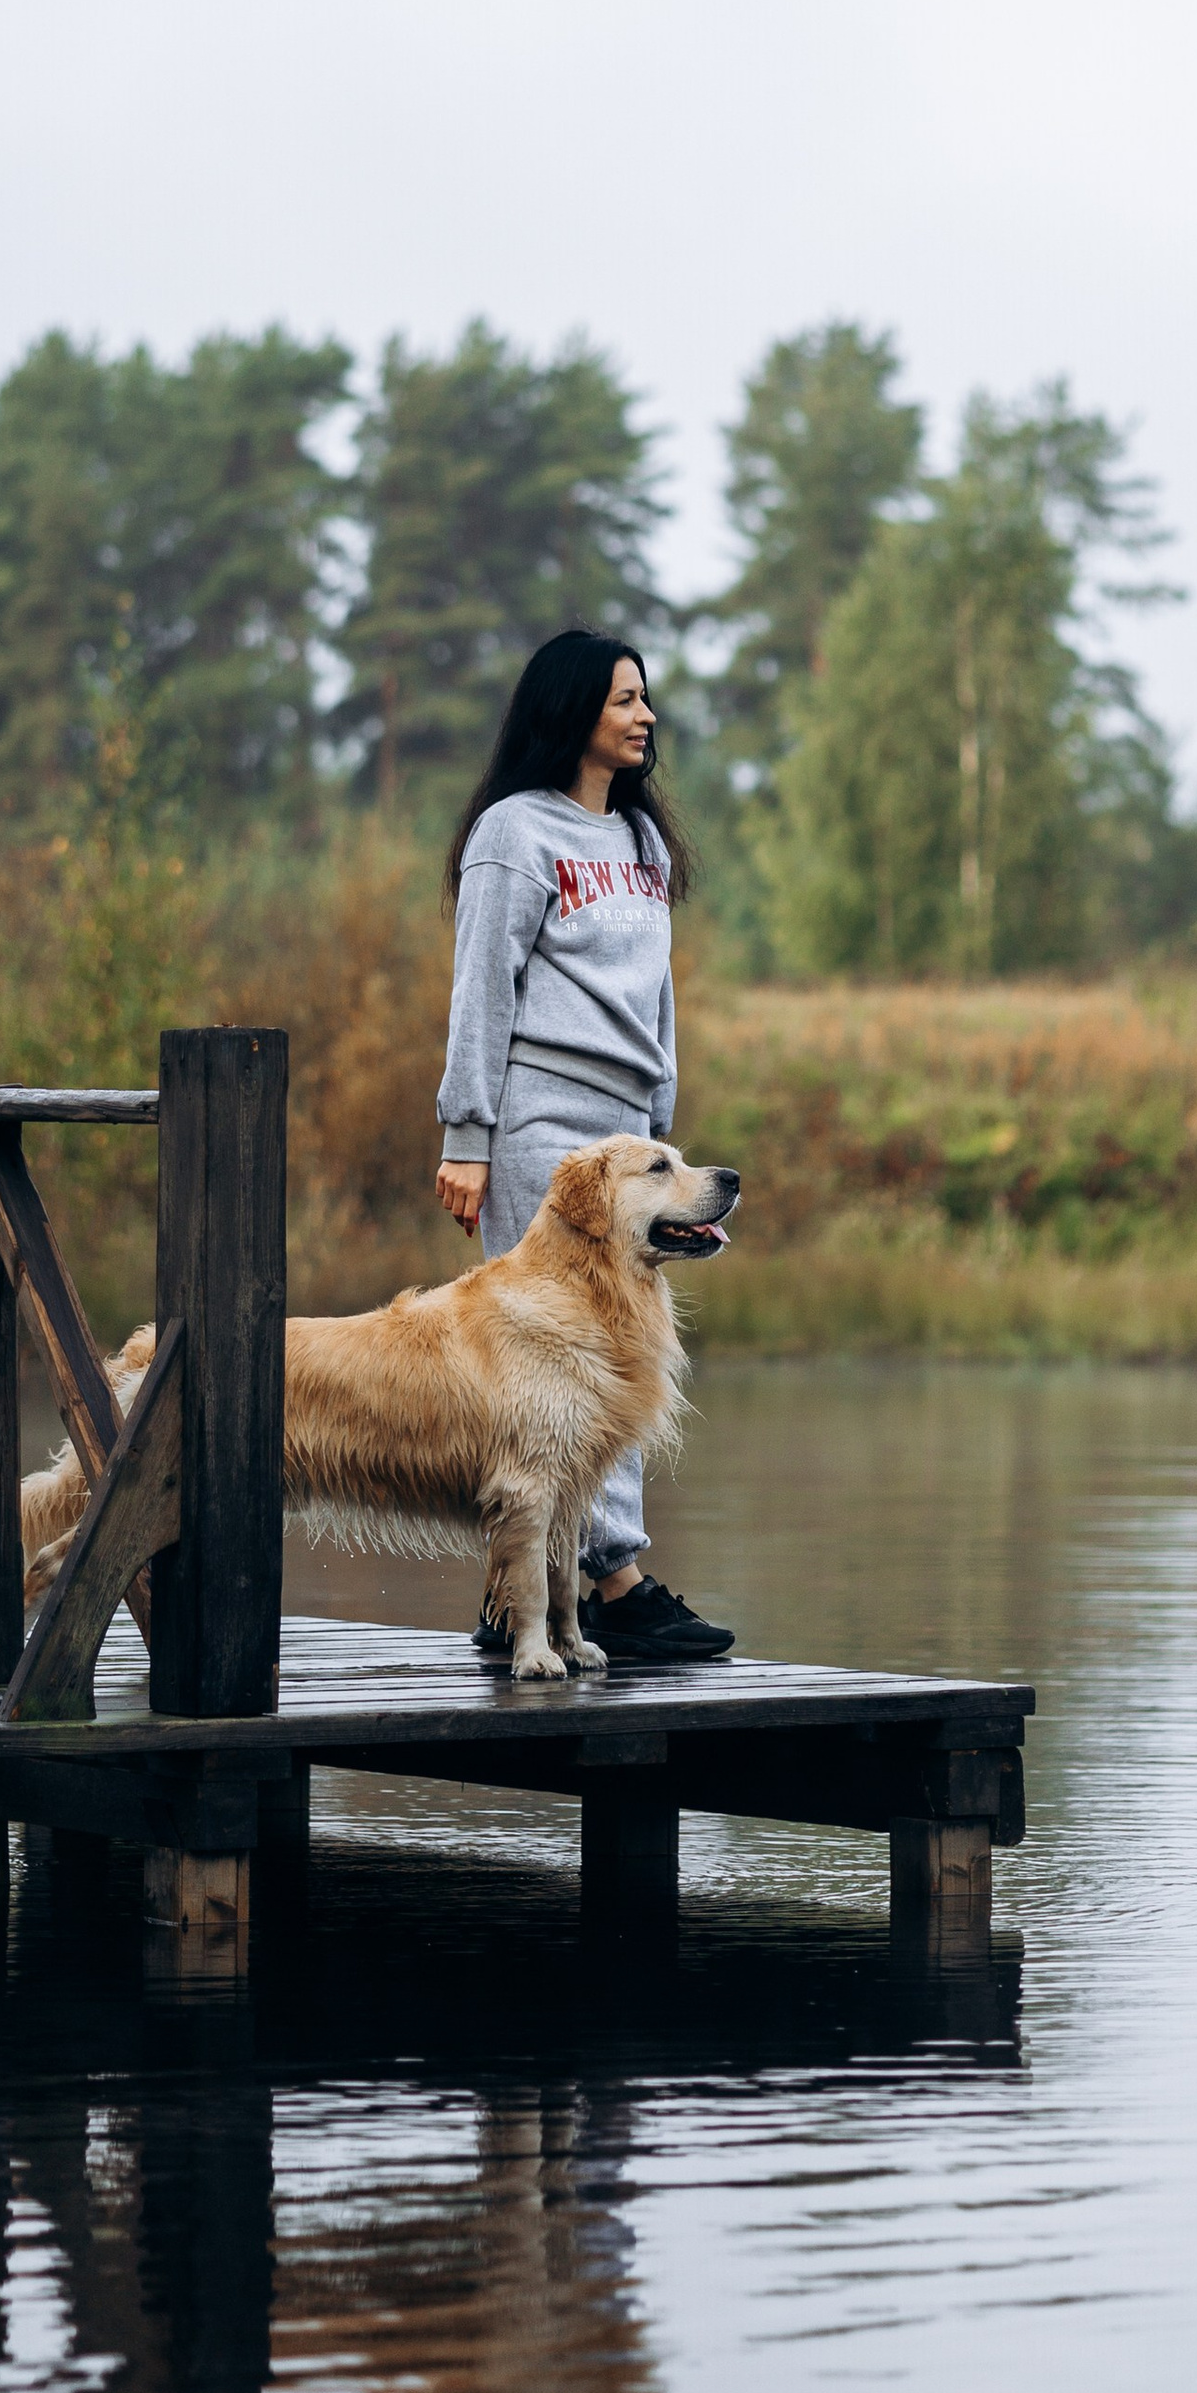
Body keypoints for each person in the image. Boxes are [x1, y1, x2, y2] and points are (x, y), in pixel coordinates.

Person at [435, 629, 736, 1664]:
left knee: (626, 1348)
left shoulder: (644, 845)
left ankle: (519, 1594)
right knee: (555, 1364)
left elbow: (653, 994)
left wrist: (661, 1122)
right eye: (623, 699)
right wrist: (466, 1133)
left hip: (625, 1136)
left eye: (645, 698)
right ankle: (615, 1580)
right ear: (572, 711)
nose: (644, 715)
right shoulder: (516, 834)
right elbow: (483, 987)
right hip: (535, 1123)